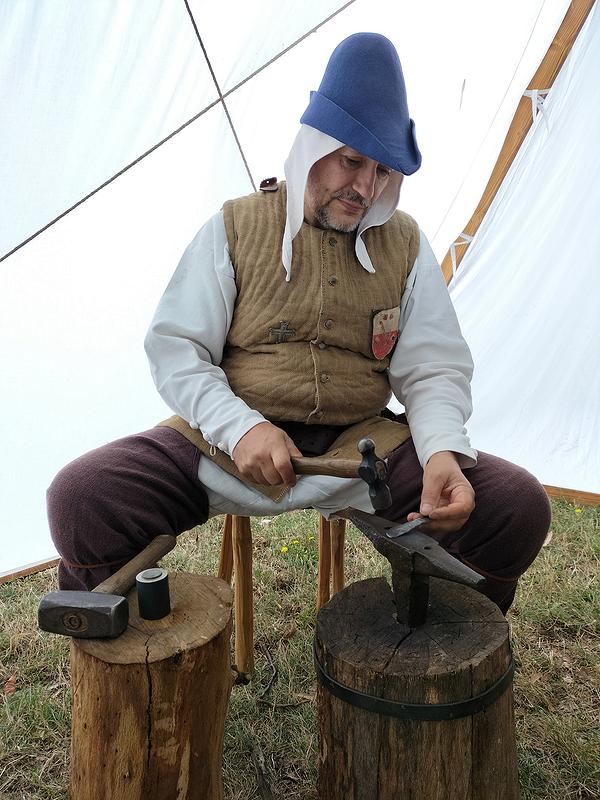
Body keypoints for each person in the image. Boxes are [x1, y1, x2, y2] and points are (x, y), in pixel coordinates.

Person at [47, 33, 550, 613]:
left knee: (516, 506)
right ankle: (134, 667)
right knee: (82, 497)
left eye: (382, 170)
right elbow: (177, 350)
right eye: (351, 160)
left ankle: (433, 644)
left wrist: (440, 452)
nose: (366, 187)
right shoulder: (236, 227)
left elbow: (432, 367)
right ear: (313, 147)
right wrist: (240, 428)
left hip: (359, 451)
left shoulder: (405, 245)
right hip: (225, 447)